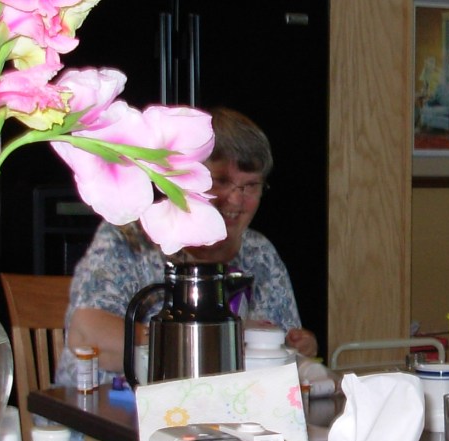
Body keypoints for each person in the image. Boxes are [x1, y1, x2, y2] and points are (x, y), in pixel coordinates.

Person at [55, 107, 317, 387]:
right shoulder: (133, 239)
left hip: (224, 417)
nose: (236, 200)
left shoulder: (260, 253)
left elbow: (284, 353)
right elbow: (87, 334)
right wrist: (216, 341)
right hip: (108, 416)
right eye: (221, 181)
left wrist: (300, 346)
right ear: (186, 179)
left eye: (250, 186)